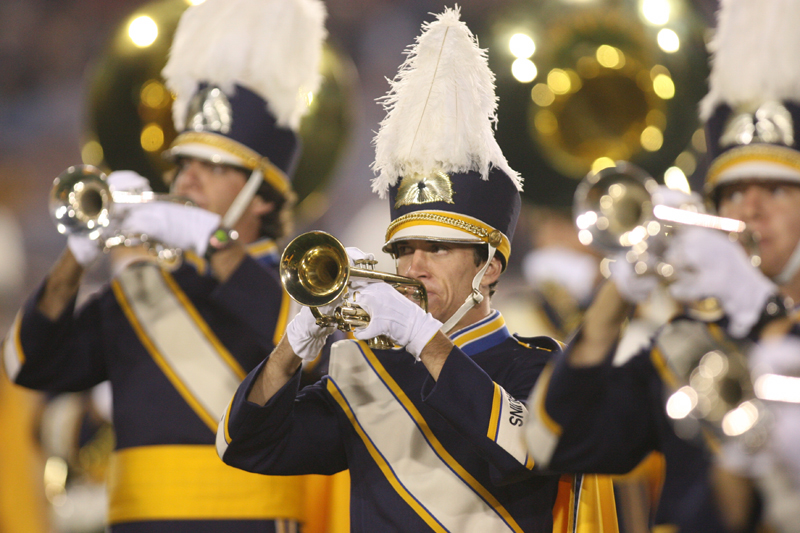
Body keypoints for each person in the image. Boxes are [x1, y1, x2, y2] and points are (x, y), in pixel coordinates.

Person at [217, 8, 619, 532]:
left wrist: (423, 338)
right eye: (404, 249)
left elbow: (525, 451)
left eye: (437, 248)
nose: (414, 265)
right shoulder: (363, 374)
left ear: (491, 267)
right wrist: (293, 349)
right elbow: (245, 447)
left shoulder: (539, 370)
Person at [2, 0, 328, 531]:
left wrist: (214, 241)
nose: (185, 181)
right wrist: (77, 257)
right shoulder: (141, 288)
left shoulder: (300, 286)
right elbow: (30, 365)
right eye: (183, 164)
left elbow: (302, 346)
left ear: (263, 196)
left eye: (212, 166)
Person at [524, 0, 800, 531]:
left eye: (776, 189)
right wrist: (619, 291)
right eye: (733, 191)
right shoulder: (687, 342)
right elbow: (553, 441)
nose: (751, 209)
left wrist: (760, 310)